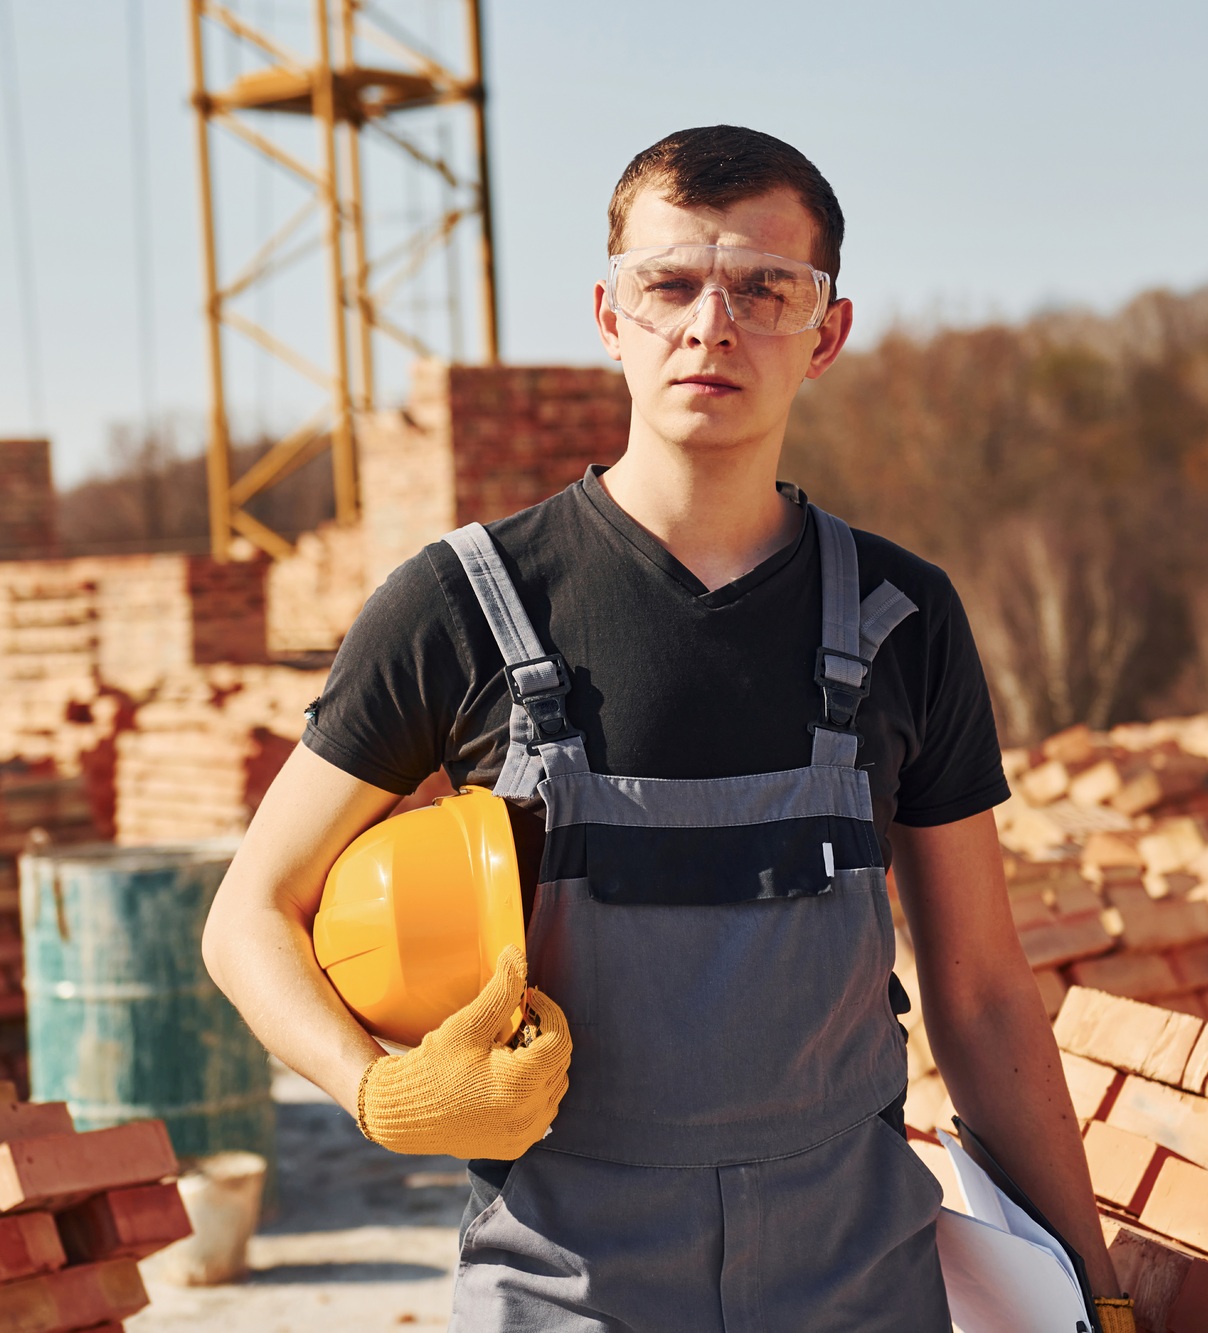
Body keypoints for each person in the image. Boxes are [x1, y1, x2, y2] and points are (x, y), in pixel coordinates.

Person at [203, 124, 1128, 1331]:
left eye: (763, 287)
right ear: (608, 316)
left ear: (825, 333)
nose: (711, 324)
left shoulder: (905, 618)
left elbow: (985, 995)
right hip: (565, 1288)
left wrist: (1091, 1293)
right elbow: (247, 915)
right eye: (670, 284)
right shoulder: (460, 605)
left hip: (857, 1283)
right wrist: (378, 1094)